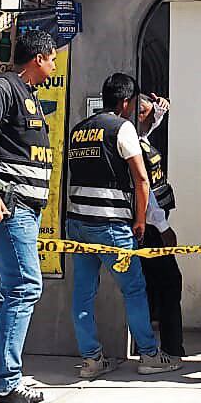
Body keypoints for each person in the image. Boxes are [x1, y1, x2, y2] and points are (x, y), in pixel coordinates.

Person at [66, 72, 182, 380]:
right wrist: (141, 221)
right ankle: (149, 355)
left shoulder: (79, 130)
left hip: (77, 223)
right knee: (134, 289)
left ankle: (91, 361)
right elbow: (141, 179)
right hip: (111, 226)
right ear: (126, 102)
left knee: (83, 293)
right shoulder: (122, 128)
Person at [0, 28, 57, 403]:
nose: (54, 64)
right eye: (52, 58)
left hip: (20, 208)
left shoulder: (27, 96)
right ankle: (6, 384)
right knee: (24, 287)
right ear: (37, 58)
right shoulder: (2, 88)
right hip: (8, 206)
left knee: (3, 288)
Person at [136, 94, 185, 358]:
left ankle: (170, 346)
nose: (149, 115)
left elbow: (150, 124)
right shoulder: (133, 143)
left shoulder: (141, 138)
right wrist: (163, 227)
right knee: (168, 283)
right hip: (152, 228)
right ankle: (170, 347)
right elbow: (147, 192)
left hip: (153, 225)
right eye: (142, 112)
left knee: (158, 285)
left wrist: (160, 110)